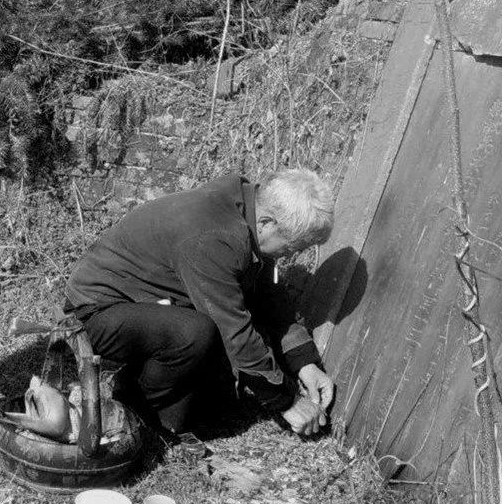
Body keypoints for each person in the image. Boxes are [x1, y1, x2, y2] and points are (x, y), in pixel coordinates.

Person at [65, 170, 336, 437]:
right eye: (290, 248)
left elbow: (269, 297)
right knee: (195, 336)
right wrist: (287, 401)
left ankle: (148, 391)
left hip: (148, 306)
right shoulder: (216, 237)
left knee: (218, 402)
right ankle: (136, 406)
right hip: (95, 314)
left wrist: (305, 362)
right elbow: (235, 332)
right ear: (266, 223)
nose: (290, 256)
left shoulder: (246, 209)